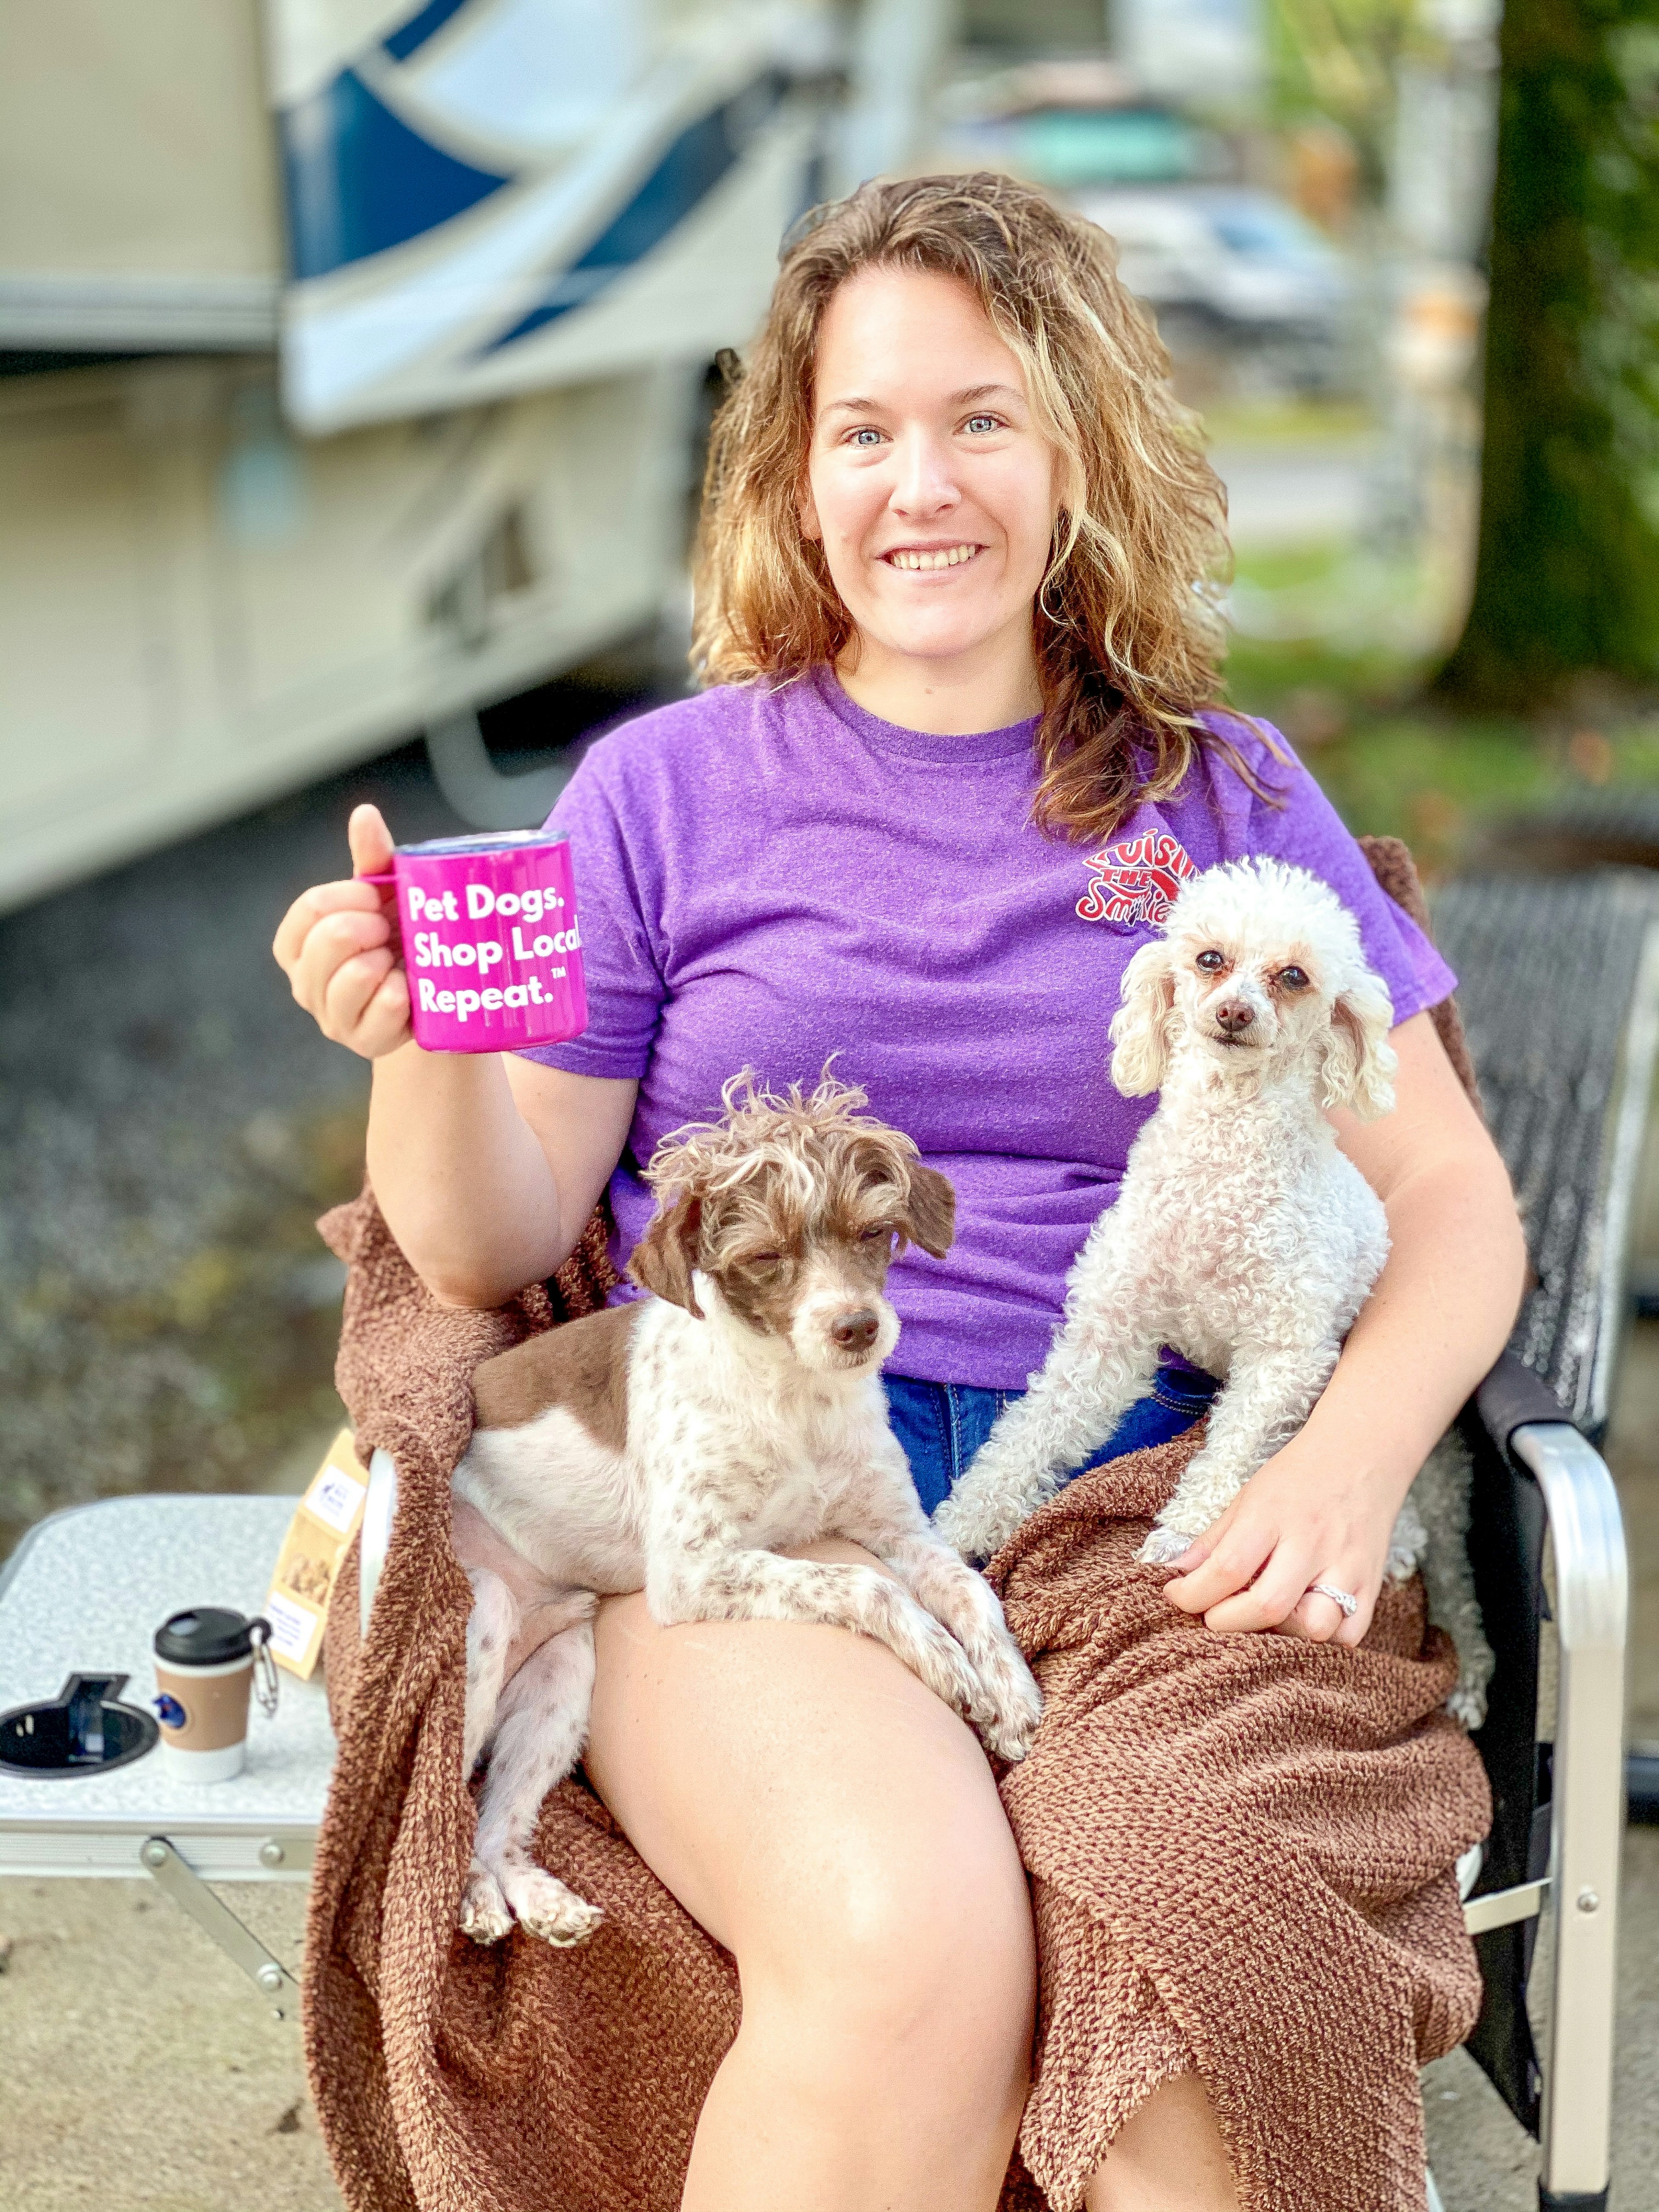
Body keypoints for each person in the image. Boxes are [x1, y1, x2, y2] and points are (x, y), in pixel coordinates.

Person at [274, 175, 1524, 2212]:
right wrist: (417, 1038)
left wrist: (1356, 1457)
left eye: (980, 419)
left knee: (1201, 2000)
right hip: (773, 1490)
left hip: (1149, 1505)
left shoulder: (1219, 789)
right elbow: (493, 1243)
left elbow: (1455, 1199)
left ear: (1076, 451)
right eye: (863, 429)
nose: (917, 484)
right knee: (904, 1931)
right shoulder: (661, 793)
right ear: (794, 471)